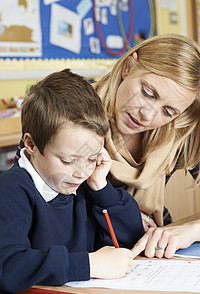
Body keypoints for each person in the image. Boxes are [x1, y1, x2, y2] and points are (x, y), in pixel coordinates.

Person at [13, 33, 200, 258]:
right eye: (147, 93)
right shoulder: (68, 114)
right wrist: (124, 211)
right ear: (128, 67)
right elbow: (31, 200)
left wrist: (192, 229)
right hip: (74, 254)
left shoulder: (176, 134)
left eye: (168, 112)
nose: (148, 115)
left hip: (143, 251)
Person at [0, 69, 144, 294]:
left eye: (91, 157)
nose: (81, 172)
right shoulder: (12, 191)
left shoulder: (85, 185)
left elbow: (131, 237)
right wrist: (89, 264)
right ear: (31, 144)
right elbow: (8, 266)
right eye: (67, 161)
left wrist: (102, 188)